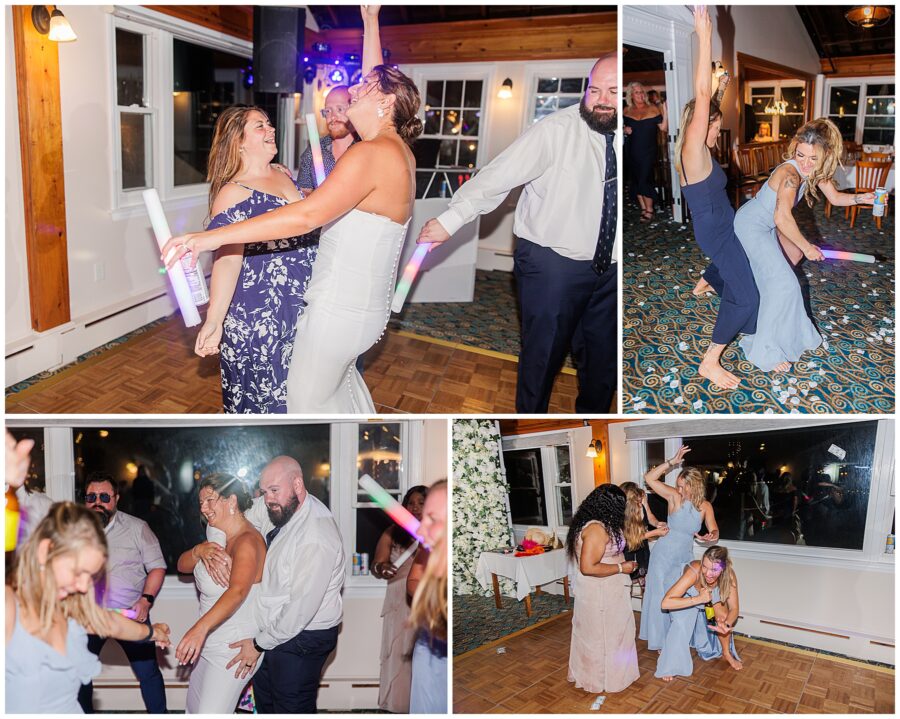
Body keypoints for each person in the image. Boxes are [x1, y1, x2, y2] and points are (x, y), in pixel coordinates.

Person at [163, 6, 422, 413]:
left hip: (338, 309)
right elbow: (380, 91)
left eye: (362, 86)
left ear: (385, 102)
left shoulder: (370, 153)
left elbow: (306, 217)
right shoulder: (393, 148)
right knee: (334, 394)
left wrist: (204, 238)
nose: (351, 90)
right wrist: (370, 20)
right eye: (259, 126)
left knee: (303, 405)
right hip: (351, 309)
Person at [416, 53, 617, 413]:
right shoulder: (554, 131)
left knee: (603, 363)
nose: (601, 100)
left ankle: (595, 419)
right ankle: (528, 420)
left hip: (611, 268)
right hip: (552, 264)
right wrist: (450, 220)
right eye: (594, 89)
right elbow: (498, 175)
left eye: (613, 92)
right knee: (543, 357)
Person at [192, 104, 317, 414]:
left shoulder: (283, 173)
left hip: (300, 302)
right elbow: (228, 257)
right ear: (239, 142)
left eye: (269, 123)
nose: (270, 129)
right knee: (268, 395)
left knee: (303, 390)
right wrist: (214, 319)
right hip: (261, 314)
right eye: (260, 126)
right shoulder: (233, 193)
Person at [733, 117, 874, 372]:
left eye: (813, 158)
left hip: (769, 226)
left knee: (785, 272)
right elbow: (781, 217)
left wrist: (863, 197)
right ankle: (764, 350)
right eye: (800, 155)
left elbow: (836, 197)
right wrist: (809, 247)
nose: (805, 164)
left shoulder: (814, 170)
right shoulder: (790, 174)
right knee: (784, 283)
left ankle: (790, 328)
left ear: (825, 155)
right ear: (795, 149)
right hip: (751, 225)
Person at [6, 503, 171, 714]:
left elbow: (113, 623)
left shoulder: (72, 607)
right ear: (44, 552)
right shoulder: (10, 606)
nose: (84, 586)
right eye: (78, 572)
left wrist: (153, 632)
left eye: (91, 576)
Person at [675, 6, 759, 391]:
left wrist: (722, 68)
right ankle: (709, 361)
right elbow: (704, 93)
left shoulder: (702, 148)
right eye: (715, 125)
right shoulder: (693, 148)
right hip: (716, 232)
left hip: (722, 226)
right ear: (701, 123)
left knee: (745, 268)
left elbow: (715, 92)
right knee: (747, 299)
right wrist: (705, 32)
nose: (718, 131)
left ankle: (708, 279)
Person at [224, 456, 345, 713]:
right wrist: (211, 544)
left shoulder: (315, 536)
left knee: (290, 707)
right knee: (267, 703)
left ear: (298, 484)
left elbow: (300, 610)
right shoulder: (281, 507)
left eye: (274, 491)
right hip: (277, 630)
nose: (268, 499)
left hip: (303, 635)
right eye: (264, 491)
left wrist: (258, 644)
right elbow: (241, 514)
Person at [175, 474, 267, 713]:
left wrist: (199, 629)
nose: (203, 508)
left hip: (232, 649)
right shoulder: (216, 534)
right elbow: (181, 566)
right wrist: (198, 551)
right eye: (201, 503)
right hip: (209, 644)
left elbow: (237, 592)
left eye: (210, 500)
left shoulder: (247, 541)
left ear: (231, 501)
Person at [77, 473, 168, 714]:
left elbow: (157, 566)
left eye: (104, 496)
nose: (97, 502)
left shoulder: (138, 528)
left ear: (116, 498)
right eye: (91, 496)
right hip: (89, 616)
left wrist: (146, 600)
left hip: (130, 612)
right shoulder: (74, 530)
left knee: (148, 672)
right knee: (78, 672)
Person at [639, 446, 719, 651]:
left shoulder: (706, 507)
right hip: (663, 555)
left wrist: (710, 536)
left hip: (684, 557)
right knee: (659, 596)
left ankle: (677, 638)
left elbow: (715, 531)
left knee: (679, 597)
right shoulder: (674, 497)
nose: (680, 490)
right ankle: (659, 642)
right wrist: (672, 462)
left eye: (684, 486)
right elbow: (649, 478)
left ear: (695, 486)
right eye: (678, 486)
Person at [566, 484, 640, 693]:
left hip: (610, 590)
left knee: (616, 633)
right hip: (600, 594)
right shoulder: (596, 529)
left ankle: (616, 674)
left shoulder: (603, 524)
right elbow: (588, 567)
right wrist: (621, 567)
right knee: (604, 637)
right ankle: (602, 679)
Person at [371, 485, 428, 713]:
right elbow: (377, 563)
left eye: (421, 503)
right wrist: (382, 567)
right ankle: (396, 707)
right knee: (398, 654)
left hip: (422, 600)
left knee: (420, 656)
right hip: (398, 600)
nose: (414, 507)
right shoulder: (392, 532)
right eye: (410, 503)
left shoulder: (434, 535)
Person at [656, 545, 742, 680]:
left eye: (714, 569)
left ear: (723, 568)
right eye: (705, 566)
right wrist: (698, 599)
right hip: (683, 594)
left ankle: (727, 653)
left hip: (706, 596)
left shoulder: (729, 576)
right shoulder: (695, 571)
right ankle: (670, 658)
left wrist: (726, 625)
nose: (708, 573)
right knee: (681, 624)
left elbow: (734, 609)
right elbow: (665, 603)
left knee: (723, 617)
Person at [407, 480, 447, 714]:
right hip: (429, 640)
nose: (421, 530)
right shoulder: (428, 548)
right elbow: (412, 581)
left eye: (431, 519)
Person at [298, 85, 359, 192]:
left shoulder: (365, 147)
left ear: (353, 109)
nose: (333, 117)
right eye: (327, 111)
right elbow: (303, 191)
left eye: (339, 109)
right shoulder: (314, 150)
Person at [623, 81, 668, 221]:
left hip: (648, 151)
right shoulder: (626, 110)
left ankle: (649, 209)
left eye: (641, 91)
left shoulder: (653, 108)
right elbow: (619, 127)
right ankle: (643, 208)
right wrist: (624, 129)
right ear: (631, 95)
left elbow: (663, 128)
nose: (640, 95)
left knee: (645, 179)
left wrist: (665, 111)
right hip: (631, 150)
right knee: (636, 180)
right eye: (637, 92)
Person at [620, 481, 668, 583]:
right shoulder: (620, 516)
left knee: (645, 584)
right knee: (627, 585)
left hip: (643, 551)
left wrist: (657, 524)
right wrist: (655, 533)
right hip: (628, 554)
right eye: (637, 501)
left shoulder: (642, 500)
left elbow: (649, 516)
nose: (640, 503)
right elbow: (631, 539)